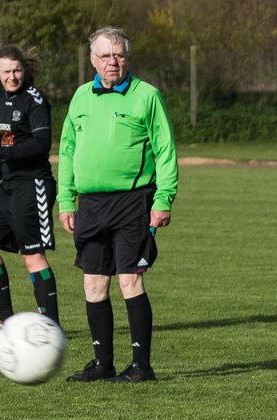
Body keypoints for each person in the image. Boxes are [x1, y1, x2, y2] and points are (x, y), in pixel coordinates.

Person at [57, 26, 177, 382]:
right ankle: (102, 363)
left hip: (133, 202)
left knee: (129, 281)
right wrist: (66, 199)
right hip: (90, 204)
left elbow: (165, 150)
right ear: (93, 60)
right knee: (93, 284)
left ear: (127, 58)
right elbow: (67, 150)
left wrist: (163, 198)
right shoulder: (80, 97)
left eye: (119, 55)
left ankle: (141, 366)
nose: (113, 62)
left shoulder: (147, 96)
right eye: (106, 56)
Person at [0, 44, 59, 338]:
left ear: (25, 70)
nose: (12, 76)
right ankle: (5, 321)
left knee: (32, 257)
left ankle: (50, 325)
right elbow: (3, 138)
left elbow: (40, 145)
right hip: (7, 188)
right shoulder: (2, 99)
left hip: (33, 185)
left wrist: (3, 152)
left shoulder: (35, 101)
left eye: (17, 70)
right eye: (6, 71)